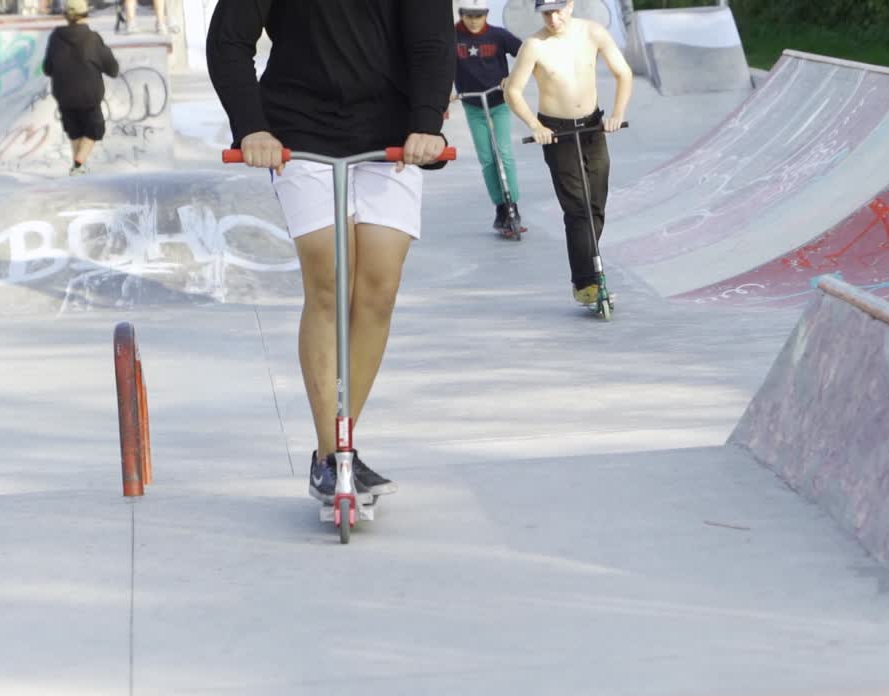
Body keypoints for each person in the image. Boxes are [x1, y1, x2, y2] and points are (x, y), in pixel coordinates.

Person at [207, 0, 454, 501]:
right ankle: (330, 453)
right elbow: (229, 40)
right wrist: (251, 126)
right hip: (301, 134)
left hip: (392, 137)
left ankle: (340, 448)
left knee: (378, 290)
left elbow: (431, 41)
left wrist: (427, 122)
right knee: (330, 283)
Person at [503, 0, 631, 305]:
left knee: (596, 206)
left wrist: (616, 113)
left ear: (571, 6)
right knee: (578, 210)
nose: (553, 18)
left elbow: (623, 74)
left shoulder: (593, 32)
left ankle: (588, 270)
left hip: (593, 128)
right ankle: (587, 283)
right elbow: (512, 90)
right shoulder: (534, 45)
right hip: (556, 133)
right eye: (546, 12)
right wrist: (535, 125)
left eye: (558, 9)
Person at [452, 0, 525, 234]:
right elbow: (439, 65)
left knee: (503, 153)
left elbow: (526, 54)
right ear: (461, 14)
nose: (474, 21)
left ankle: (512, 204)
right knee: (487, 158)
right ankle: (500, 208)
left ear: (486, 14)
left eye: (478, 15)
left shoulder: (498, 36)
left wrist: (512, 78)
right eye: (468, 15)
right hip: (473, 105)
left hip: (498, 102)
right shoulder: (450, 37)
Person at [41, 0, 120, 177]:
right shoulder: (93, 38)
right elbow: (113, 69)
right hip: (89, 96)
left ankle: (78, 166)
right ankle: (78, 165)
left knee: (75, 131)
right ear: (86, 14)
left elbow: (47, 68)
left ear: (66, 16)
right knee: (94, 130)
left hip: (64, 95)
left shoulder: (55, 37)